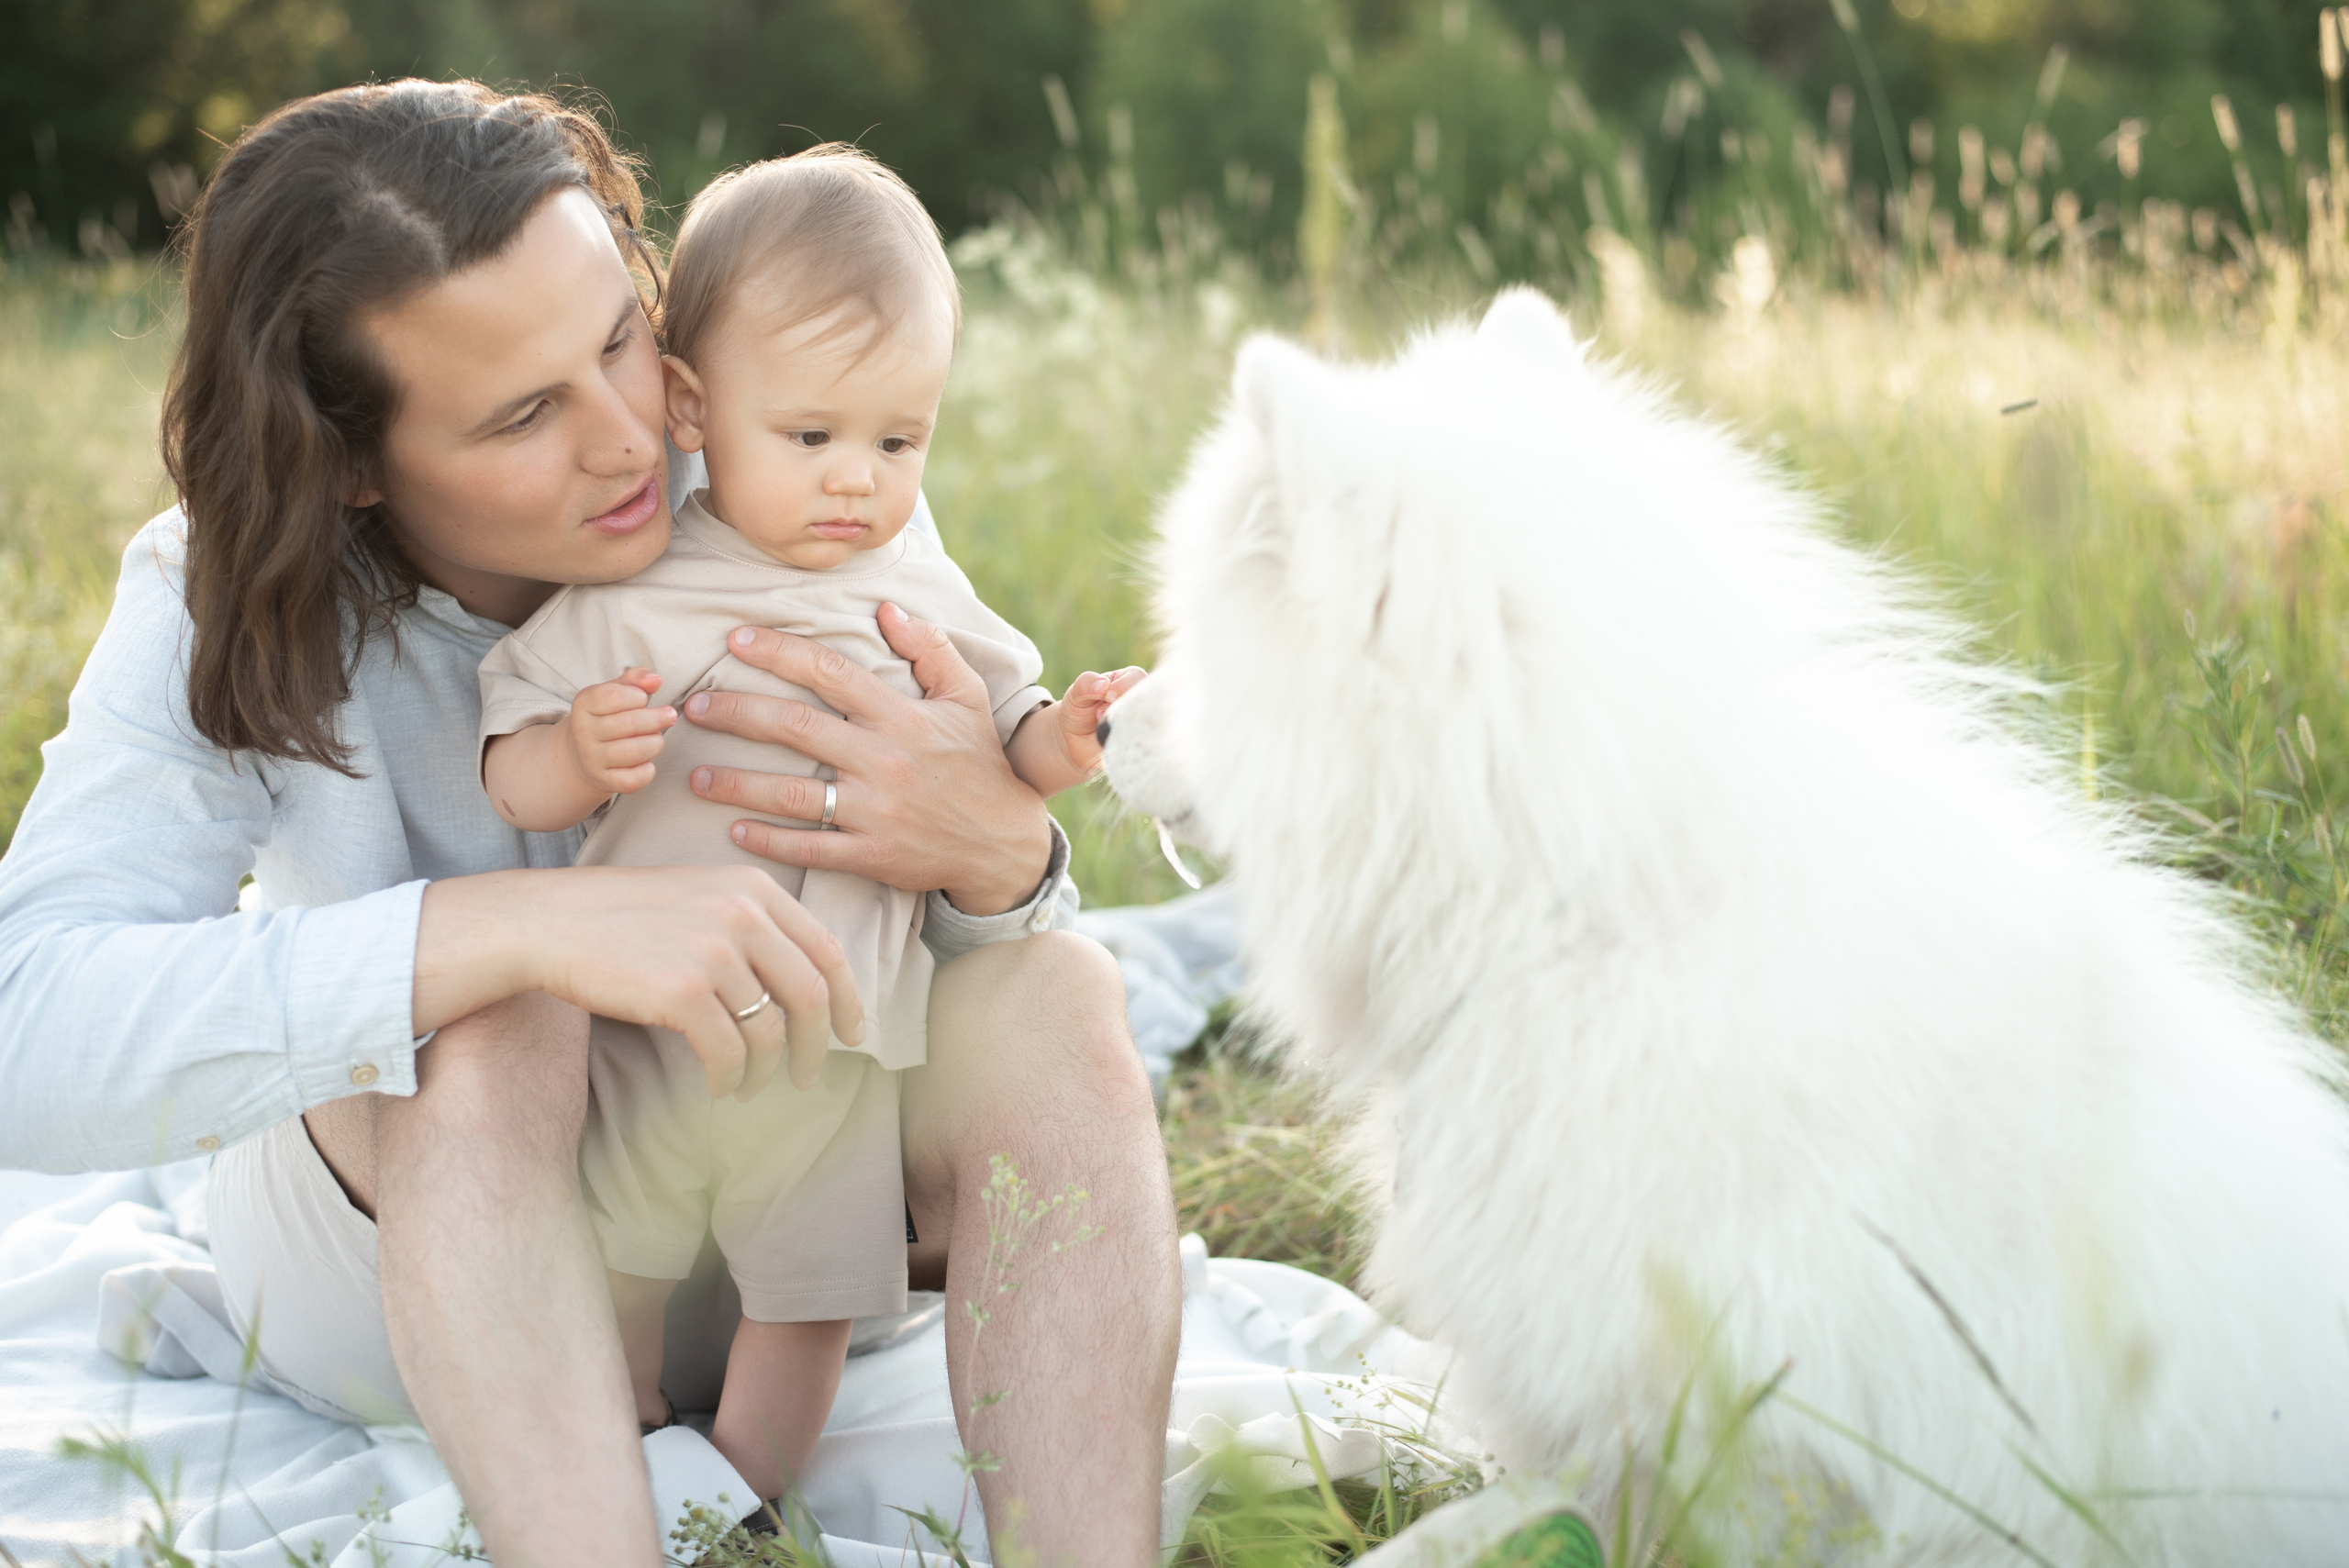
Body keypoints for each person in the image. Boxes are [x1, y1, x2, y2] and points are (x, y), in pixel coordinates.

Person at [0, 79, 1178, 1567]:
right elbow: (23, 1029)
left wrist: (999, 854)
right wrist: (528, 930)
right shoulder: (217, 593)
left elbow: (972, 907)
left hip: (793, 1242)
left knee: (1063, 984)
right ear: (351, 462)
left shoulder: (773, 433)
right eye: (524, 412)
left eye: (619, 336)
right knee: (511, 1022)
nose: (634, 435)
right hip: (402, 1271)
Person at [474, 142, 1144, 1503]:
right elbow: (506, 763)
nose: (859, 480)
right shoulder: (639, 584)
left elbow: (998, 719)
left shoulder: (912, 579)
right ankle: (640, 1439)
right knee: (625, 1253)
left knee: (811, 1296)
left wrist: (1057, 740)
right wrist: (575, 752)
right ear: (691, 405)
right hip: (652, 1026)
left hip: (840, 1038)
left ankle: (744, 1494)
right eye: (814, 437)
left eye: (900, 440)